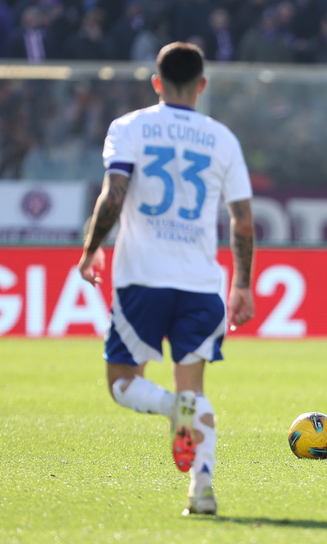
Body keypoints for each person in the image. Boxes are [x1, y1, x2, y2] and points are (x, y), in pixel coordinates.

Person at [77, 42, 255, 516]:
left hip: (142, 278)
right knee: (192, 389)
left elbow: (113, 196)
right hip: (200, 283)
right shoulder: (222, 139)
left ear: (156, 82)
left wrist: (91, 250)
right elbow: (242, 221)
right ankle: (202, 488)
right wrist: (242, 284)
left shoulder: (129, 127)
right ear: (202, 85)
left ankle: (171, 409)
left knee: (122, 382)